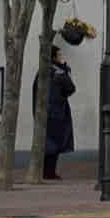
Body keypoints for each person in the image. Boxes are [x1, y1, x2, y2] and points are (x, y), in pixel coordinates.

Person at [42, 47, 74, 181]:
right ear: (54, 57)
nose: (61, 57)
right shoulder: (58, 72)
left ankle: (46, 172)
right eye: (59, 55)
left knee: (48, 145)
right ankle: (49, 173)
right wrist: (66, 71)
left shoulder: (42, 72)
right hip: (57, 113)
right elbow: (70, 88)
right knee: (54, 145)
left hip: (46, 113)